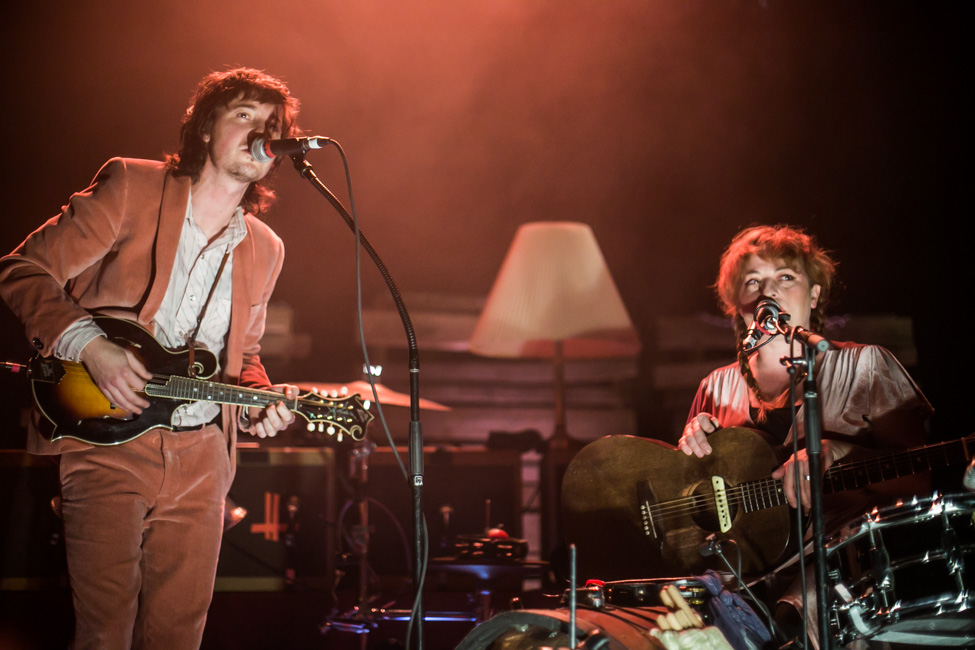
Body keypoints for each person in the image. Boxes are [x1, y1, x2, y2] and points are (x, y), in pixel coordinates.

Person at [0, 67, 300, 648]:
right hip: (108, 439)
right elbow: (21, 269)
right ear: (206, 127)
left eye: (273, 125)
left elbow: (246, 355)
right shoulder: (134, 187)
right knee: (104, 631)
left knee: (178, 635)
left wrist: (262, 401)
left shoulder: (266, 248)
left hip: (204, 455)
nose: (262, 131)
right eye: (244, 115)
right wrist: (90, 345)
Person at [677, 224, 932, 643]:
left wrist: (838, 450)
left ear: (813, 296)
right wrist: (692, 450)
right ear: (736, 305)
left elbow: (920, 477)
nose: (767, 292)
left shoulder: (865, 366)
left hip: (842, 576)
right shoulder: (715, 388)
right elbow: (689, 505)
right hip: (741, 576)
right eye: (752, 282)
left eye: (785, 277)